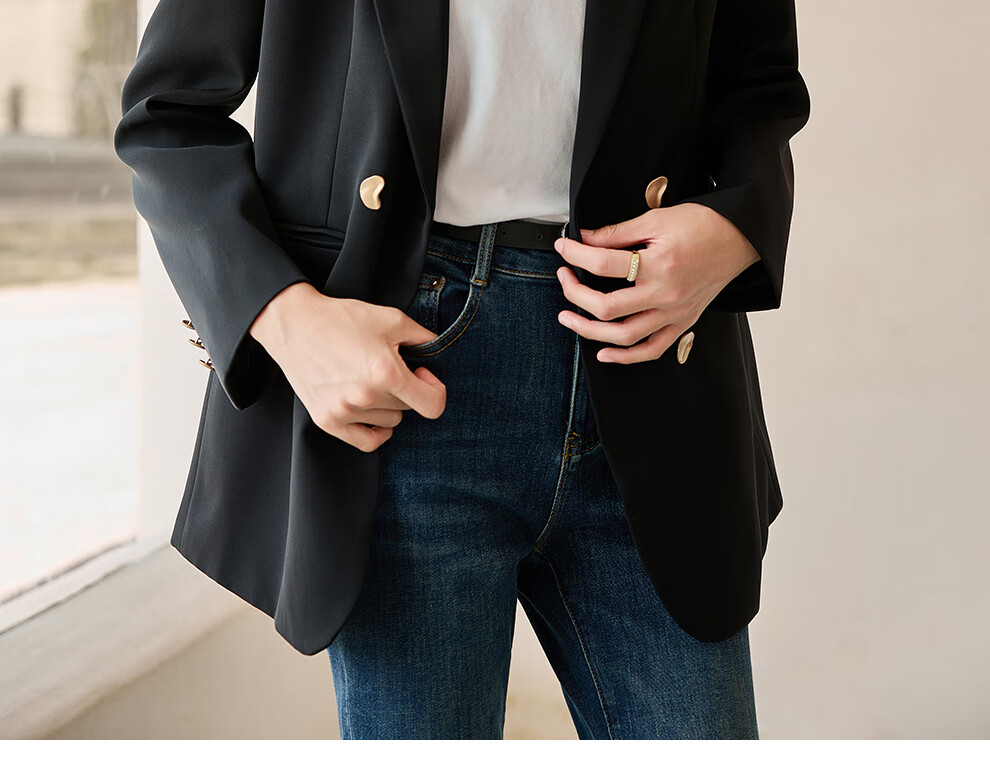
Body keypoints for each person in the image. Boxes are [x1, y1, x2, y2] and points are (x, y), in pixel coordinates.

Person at [116, 0, 810, 740]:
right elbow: (168, 115)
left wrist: (735, 227)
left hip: (654, 364)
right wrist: (286, 318)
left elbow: (759, 89)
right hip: (406, 388)